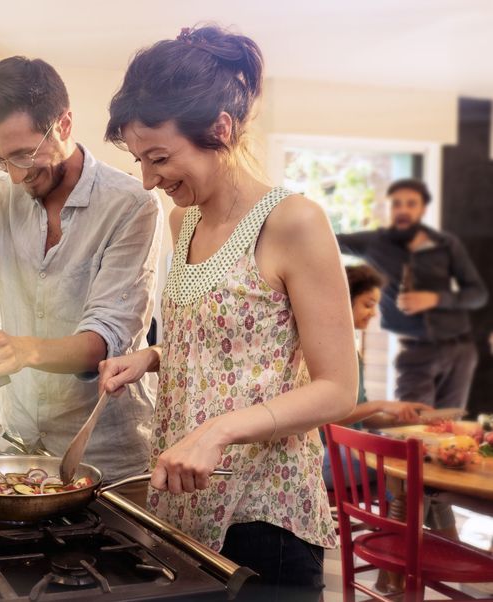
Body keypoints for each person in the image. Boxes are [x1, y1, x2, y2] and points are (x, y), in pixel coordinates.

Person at [98, 25, 357, 601]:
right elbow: (237, 344)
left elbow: (338, 388)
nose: (148, 179)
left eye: (160, 157)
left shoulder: (293, 222)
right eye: (141, 160)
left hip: (265, 513)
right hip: (184, 502)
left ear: (220, 128)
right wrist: (155, 356)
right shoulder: (181, 221)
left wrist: (217, 431)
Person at [0, 56, 162, 490]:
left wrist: (21, 349)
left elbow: (105, 341)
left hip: (109, 458)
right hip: (21, 448)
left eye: (24, 154)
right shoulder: (3, 195)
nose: (17, 174)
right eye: (0, 160)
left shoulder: (132, 205)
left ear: (63, 123)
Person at [336, 179, 488, 411]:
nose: (403, 209)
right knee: (412, 425)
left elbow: (478, 294)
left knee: (448, 429)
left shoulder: (446, 244)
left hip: (461, 349)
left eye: (411, 204)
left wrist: (436, 299)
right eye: (396, 204)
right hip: (416, 351)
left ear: (422, 209)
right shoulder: (373, 243)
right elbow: (328, 241)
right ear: (388, 207)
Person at [320, 263, 433, 488]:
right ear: (343, 300)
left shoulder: (351, 350)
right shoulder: (327, 350)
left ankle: (409, 520)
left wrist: (398, 416)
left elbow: (358, 414)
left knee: (426, 463)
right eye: (368, 304)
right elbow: (324, 419)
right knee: (420, 467)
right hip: (324, 458)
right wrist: (380, 405)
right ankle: (400, 521)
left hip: (349, 451)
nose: (373, 312)